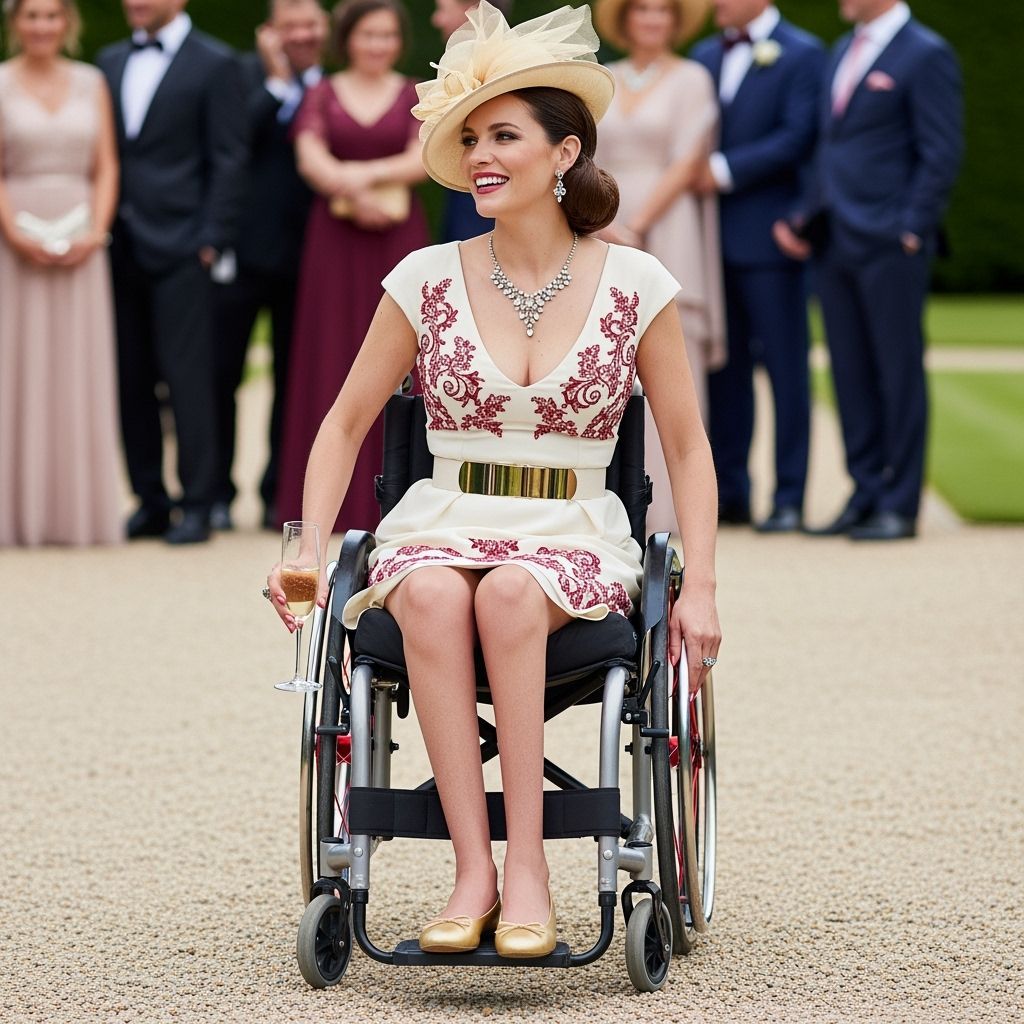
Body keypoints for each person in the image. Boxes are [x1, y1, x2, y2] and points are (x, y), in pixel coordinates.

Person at [267, 1, 721, 959]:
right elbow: (344, 421)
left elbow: (685, 446)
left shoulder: (636, 283)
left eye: (502, 136)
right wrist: (307, 544)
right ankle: (473, 871)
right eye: (470, 138)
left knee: (514, 592)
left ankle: (531, 872)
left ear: (564, 153)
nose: (479, 154)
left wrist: (704, 588)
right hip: (444, 512)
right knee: (428, 592)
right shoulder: (424, 277)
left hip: (574, 528)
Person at [774, 0, 962, 540]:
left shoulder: (926, 53)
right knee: (849, 372)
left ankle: (900, 505)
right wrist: (806, 217)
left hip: (889, 243)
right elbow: (831, 149)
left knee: (897, 372)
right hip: (834, 238)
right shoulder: (841, 50)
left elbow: (941, 150)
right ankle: (864, 493)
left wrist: (911, 228)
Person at [274, 0, 429, 534]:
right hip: (334, 243)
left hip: (397, 239)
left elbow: (423, 158)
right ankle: (325, 502)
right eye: (368, 34)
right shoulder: (322, 92)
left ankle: (403, 495)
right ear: (348, 38)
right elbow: (308, 158)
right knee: (331, 352)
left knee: (404, 354)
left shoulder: (413, 93)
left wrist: (357, 178)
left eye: (387, 35)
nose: (378, 44)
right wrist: (350, 187)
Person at [97, 0, 247, 544]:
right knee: (129, 378)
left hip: (185, 245)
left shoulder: (216, 62)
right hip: (116, 243)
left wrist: (211, 239)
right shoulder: (108, 61)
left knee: (189, 379)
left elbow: (230, 156)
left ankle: (199, 502)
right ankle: (149, 500)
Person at [690, 0, 824, 531]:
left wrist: (721, 170)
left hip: (772, 241)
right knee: (724, 373)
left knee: (787, 371)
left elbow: (799, 137)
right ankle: (732, 491)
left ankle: (790, 496)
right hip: (706, 241)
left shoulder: (804, 53)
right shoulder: (703, 54)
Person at [592, 0, 725, 533]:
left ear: (674, 21)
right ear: (624, 18)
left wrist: (640, 224)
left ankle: (668, 517)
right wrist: (603, 221)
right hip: (601, 219)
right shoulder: (602, 77)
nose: (651, 19)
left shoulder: (693, 78)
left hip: (668, 225)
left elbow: (689, 158)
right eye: (641, 9)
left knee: (674, 363)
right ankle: (607, 509)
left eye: (661, 11)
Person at [0, 0, 122, 547]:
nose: (42, 26)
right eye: (32, 15)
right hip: (13, 243)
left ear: (66, 23)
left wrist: (95, 232)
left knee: (76, 369)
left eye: (52, 16)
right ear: (15, 23)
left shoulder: (90, 80)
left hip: (82, 243)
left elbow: (106, 164)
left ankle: (75, 512)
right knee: (15, 368)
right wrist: (14, 233)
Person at [210, 0, 329, 533]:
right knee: (220, 376)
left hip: (311, 257)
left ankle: (276, 492)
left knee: (293, 379)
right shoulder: (238, 76)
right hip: (243, 253)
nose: (300, 35)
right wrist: (278, 82)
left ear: (325, 29)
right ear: (270, 32)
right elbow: (237, 143)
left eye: (309, 25)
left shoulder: (335, 87)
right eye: (290, 26)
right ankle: (215, 491)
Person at [430, 0, 512, 242]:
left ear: (474, 10)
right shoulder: (458, 70)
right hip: (462, 205)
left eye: (443, 9)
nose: (437, 20)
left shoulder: (510, 69)